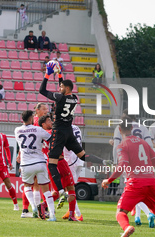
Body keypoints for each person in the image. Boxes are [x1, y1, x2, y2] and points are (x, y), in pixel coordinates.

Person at [39, 61, 108, 208]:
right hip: (69, 131)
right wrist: (60, 75)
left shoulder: (60, 97)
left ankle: (60, 191)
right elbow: (63, 87)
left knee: (52, 164)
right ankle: (103, 161)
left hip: (58, 132)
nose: (60, 87)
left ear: (67, 88)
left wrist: (47, 74)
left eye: (62, 86)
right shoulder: (74, 98)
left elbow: (42, 91)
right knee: (82, 155)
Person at [113, 109, 155, 227]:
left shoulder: (119, 127)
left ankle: (148, 214)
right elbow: (149, 145)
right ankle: (137, 217)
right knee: (138, 191)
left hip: (129, 162)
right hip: (143, 162)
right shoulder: (143, 127)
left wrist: (116, 162)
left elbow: (117, 145)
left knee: (133, 191)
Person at [15, 110, 56, 221]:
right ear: (31, 118)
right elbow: (51, 139)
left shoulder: (17, 130)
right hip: (39, 162)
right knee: (46, 190)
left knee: (27, 186)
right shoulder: (39, 129)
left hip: (26, 164)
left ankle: (33, 207)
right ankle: (52, 215)